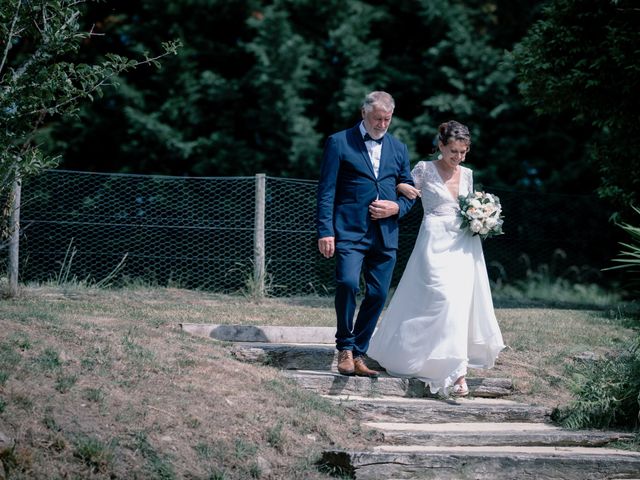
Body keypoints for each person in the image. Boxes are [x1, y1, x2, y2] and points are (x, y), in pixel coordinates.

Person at [367, 120, 505, 396]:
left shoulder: (467, 174)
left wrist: (482, 217)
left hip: (464, 245)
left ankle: (457, 373)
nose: (458, 158)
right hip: (434, 241)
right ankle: (418, 355)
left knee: (459, 304)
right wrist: (401, 192)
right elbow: (402, 191)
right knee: (439, 299)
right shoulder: (423, 169)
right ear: (440, 146)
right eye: (454, 151)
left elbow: (466, 206)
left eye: (463, 152)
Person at [316, 91, 416, 377]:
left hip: (385, 234)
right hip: (348, 230)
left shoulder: (399, 148)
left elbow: (409, 190)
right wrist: (326, 230)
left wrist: (396, 207)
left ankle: (359, 353)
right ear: (363, 114)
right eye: (376, 119)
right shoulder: (338, 142)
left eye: (387, 119)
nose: (382, 124)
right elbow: (326, 191)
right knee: (347, 283)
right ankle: (344, 348)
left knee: (379, 293)